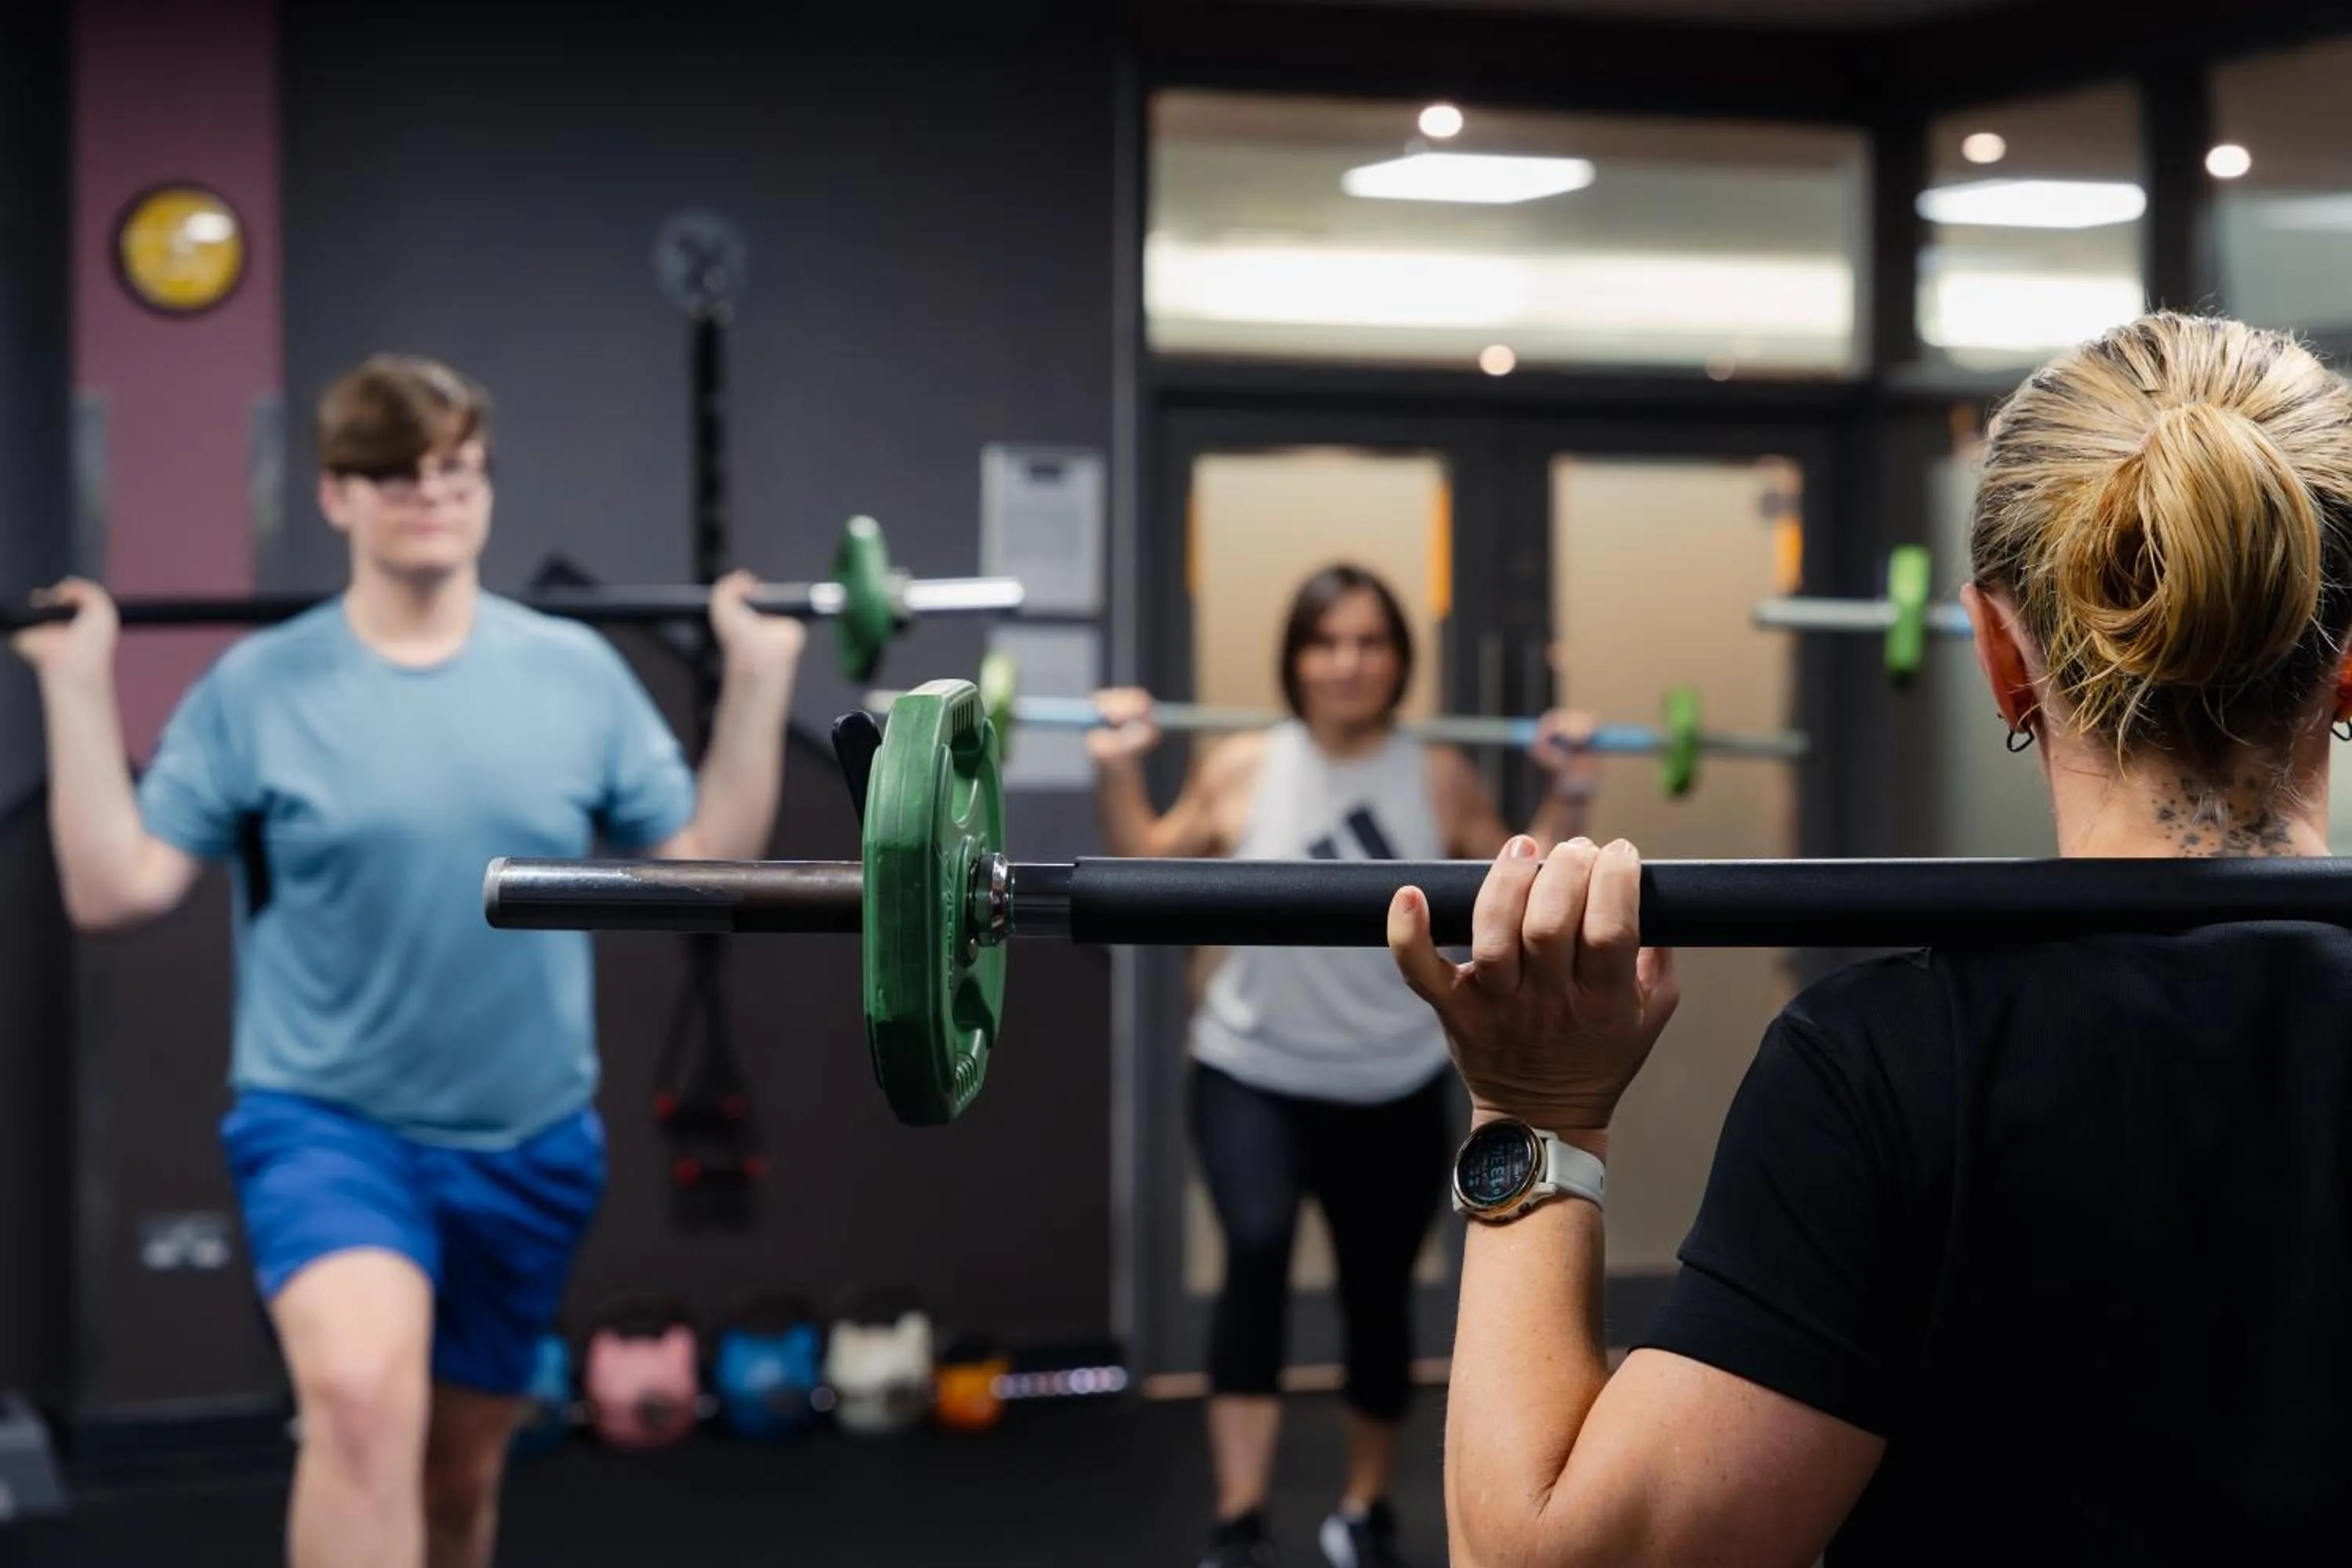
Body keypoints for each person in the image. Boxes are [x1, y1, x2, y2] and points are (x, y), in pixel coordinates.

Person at [1385, 312, 2352, 1566]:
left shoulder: (1894, 1069)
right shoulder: (1893, 1069)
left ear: (2001, 655)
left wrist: (1536, 1113)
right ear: (2347, 666)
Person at [9, 355, 805, 1568]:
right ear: (335, 496)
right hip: (331, 1127)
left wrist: (756, 682)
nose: (430, 495)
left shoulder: (571, 675)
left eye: (455, 471)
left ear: (484, 489)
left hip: (529, 1138)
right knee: (362, 1406)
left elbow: (705, 866)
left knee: (456, 1476)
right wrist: (75, 688)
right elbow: (114, 889)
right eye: (395, 474)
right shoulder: (261, 687)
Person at [1090, 563, 1600, 1568]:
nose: (1347, 662)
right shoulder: (1241, 764)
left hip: (1392, 1081)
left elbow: (1522, 878)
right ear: (1296, 658)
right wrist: (1116, 765)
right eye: (1327, 642)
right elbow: (1148, 859)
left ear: (1399, 659)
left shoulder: (1437, 773)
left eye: (1370, 641)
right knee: (1257, 1248)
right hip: (1252, 1072)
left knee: (1376, 1293)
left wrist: (1567, 789)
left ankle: (1364, 1509)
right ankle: (1239, 1518)